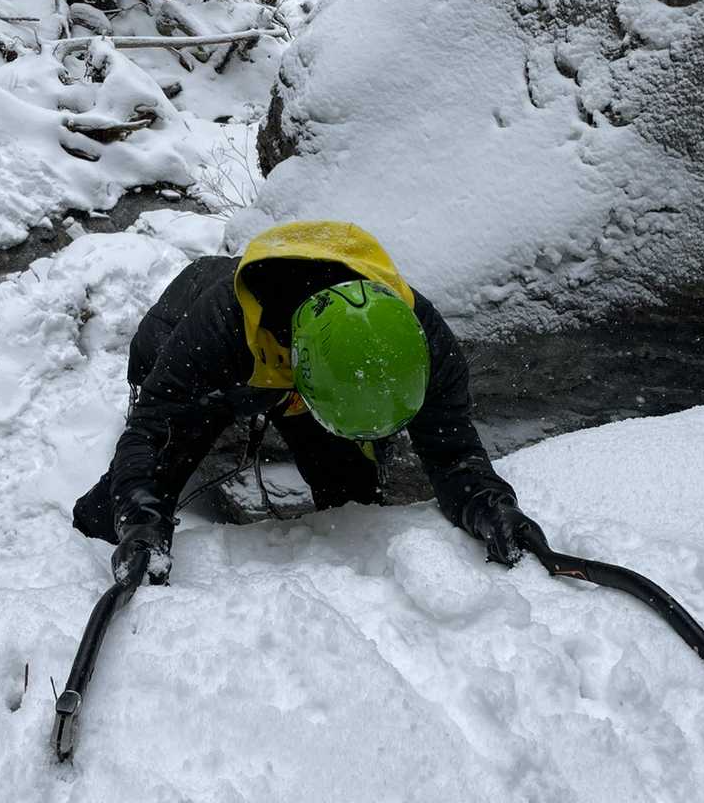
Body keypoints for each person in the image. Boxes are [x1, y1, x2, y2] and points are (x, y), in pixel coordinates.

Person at [73, 220, 528, 585]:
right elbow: (149, 429)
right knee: (148, 482)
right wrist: (140, 522)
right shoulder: (216, 329)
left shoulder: (421, 340)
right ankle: (78, 543)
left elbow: (453, 450)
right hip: (197, 352)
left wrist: (491, 507)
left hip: (298, 360)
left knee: (353, 490)